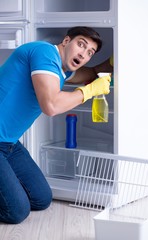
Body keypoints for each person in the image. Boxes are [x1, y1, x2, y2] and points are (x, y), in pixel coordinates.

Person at [0, 26, 112, 224]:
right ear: (66, 41)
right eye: (81, 44)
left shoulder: (61, 71)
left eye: (89, 53)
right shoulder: (45, 52)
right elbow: (51, 106)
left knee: (41, 198)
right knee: (17, 212)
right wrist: (88, 92)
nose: (83, 54)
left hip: (9, 143)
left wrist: (112, 63)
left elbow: (91, 73)